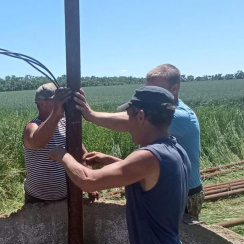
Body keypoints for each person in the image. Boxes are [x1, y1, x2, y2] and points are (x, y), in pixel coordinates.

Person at [49, 86, 190, 244]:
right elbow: (148, 176)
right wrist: (110, 161)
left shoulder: (147, 156)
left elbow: (88, 181)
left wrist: (63, 155)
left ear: (141, 116)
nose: (128, 121)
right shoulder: (175, 150)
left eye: (130, 115)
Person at [76, 64, 203, 221]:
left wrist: (91, 115)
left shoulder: (178, 116)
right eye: (147, 87)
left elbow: (129, 122)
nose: (150, 93)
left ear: (174, 89)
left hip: (183, 193)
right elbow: (150, 166)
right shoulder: (159, 136)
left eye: (156, 89)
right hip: (161, 185)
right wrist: (110, 160)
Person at [23, 83, 93, 204]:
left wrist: (91, 182)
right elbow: (38, 142)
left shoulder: (65, 124)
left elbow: (82, 153)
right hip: (37, 200)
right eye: (59, 100)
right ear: (42, 103)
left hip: (67, 195)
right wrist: (57, 112)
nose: (64, 104)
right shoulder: (33, 126)